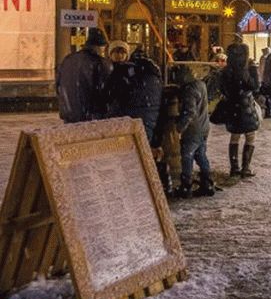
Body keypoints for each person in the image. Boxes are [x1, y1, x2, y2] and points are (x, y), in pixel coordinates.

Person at [103, 44, 167, 193]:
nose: (119, 56)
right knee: (142, 157)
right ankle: (150, 187)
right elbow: (161, 109)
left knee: (126, 157)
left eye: (122, 52)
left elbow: (111, 98)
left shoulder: (123, 74)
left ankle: (128, 188)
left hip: (126, 124)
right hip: (147, 125)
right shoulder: (155, 79)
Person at [171, 64, 214, 198]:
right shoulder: (200, 84)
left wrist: (179, 127)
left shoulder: (188, 90)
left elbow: (189, 112)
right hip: (203, 126)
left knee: (187, 156)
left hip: (192, 129)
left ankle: (186, 187)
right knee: (201, 155)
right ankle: (207, 184)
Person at [220, 43, 260, 177]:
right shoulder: (247, 69)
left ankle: (234, 168)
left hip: (232, 107)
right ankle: (245, 168)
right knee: (250, 136)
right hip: (246, 107)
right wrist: (252, 71)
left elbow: (223, 88)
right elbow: (255, 86)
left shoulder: (226, 70)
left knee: (234, 136)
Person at [56, 28, 113, 123]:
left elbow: (58, 86)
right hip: (91, 116)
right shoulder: (100, 63)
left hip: (69, 114)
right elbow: (106, 91)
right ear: (99, 47)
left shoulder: (68, 59)